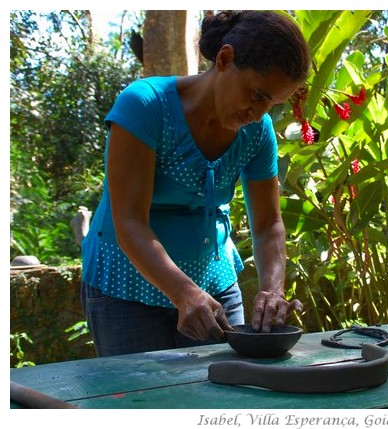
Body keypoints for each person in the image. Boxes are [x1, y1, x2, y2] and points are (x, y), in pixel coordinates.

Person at [80, 10, 310, 357]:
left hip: (214, 289)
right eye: (257, 94)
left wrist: (273, 289)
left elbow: (268, 224)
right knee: (140, 402)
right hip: (124, 289)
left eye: (272, 103)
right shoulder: (145, 106)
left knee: (220, 400)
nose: (259, 113)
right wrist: (183, 292)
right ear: (225, 58)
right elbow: (128, 221)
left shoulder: (256, 132)